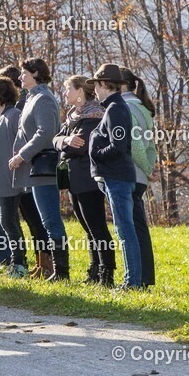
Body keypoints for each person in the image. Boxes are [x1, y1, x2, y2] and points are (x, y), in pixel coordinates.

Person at [8, 58, 68, 280]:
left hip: (43, 169)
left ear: (35, 74)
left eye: (24, 73)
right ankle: (56, 270)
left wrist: (21, 155)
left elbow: (45, 133)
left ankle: (61, 272)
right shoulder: (33, 97)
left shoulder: (43, 98)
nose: (20, 77)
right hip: (34, 170)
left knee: (51, 220)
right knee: (46, 220)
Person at [53, 76, 113, 285]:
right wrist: (65, 140)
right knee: (88, 229)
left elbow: (80, 148)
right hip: (74, 180)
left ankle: (107, 274)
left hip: (89, 180)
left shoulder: (94, 116)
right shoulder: (73, 116)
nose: (65, 93)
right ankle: (94, 270)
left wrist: (66, 144)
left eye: (68, 88)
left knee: (97, 227)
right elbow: (56, 139)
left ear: (80, 92)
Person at [88, 64, 141, 290]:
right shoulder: (112, 107)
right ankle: (133, 280)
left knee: (124, 230)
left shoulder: (115, 109)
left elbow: (118, 146)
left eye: (96, 86)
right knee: (124, 229)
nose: (95, 91)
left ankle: (132, 281)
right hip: (115, 177)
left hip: (117, 177)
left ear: (104, 84)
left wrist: (96, 154)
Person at [0, 64, 47, 275]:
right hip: (17, 168)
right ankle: (39, 263)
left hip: (26, 168)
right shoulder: (15, 106)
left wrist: (19, 158)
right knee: (30, 219)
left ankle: (46, 263)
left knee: (35, 219)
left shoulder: (23, 104)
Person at [0, 76, 28, 277]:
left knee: (9, 221)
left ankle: (19, 264)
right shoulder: (0, 116)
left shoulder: (14, 115)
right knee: (6, 221)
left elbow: (20, 146)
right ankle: (16, 263)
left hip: (11, 178)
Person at [119, 66, 157, 288]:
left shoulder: (126, 107)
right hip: (139, 175)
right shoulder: (141, 106)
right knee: (138, 227)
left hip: (130, 174)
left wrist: (144, 165)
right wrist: (147, 167)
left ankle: (139, 279)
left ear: (122, 85)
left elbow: (136, 145)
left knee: (132, 229)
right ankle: (144, 278)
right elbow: (150, 145)